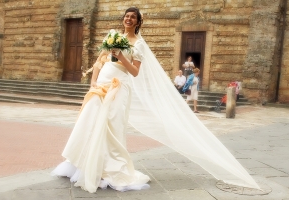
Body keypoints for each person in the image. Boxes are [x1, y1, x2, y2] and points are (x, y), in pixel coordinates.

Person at [52, 7, 260, 194]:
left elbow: (134, 71)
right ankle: (82, 164)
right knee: (91, 121)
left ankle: (109, 169)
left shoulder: (139, 44)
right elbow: (99, 61)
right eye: (127, 16)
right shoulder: (113, 36)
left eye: (133, 17)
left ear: (138, 22)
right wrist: (93, 82)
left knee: (112, 128)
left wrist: (122, 58)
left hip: (119, 88)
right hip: (100, 87)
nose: (129, 19)